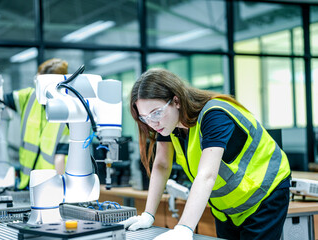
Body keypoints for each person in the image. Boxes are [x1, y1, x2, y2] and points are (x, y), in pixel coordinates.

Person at [122, 68, 291, 240]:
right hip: (227, 207)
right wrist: (148, 215)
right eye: (144, 118)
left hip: (264, 194)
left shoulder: (214, 114)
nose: (152, 123)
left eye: (156, 112)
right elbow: (161, 164)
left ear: (176, 101)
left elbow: (207, 175)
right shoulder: (168, 124)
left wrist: (184, 228)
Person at [4, 58, 70, 189]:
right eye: (37, 81)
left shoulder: (68, 109)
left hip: (48, 185)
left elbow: (60, 158)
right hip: (26, 183)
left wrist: (60, 190)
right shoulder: (28, 97)